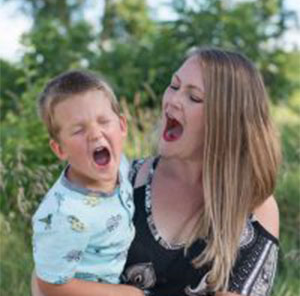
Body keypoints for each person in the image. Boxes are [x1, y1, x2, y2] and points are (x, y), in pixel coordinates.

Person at [32, 47, 281, 296]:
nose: (172, 100)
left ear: (226, 121)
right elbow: (47, 279)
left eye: (193, 97)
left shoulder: (254, 208)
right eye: (174, 86)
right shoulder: (118, 181)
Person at [32, 70, 141, 295]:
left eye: (103, 121)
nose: (95, 134)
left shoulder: (122, 165)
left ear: (122, 126)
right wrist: (123, 293)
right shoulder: (65, 214)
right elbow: (49, 284)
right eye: (79, 130)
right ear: (60, 149)